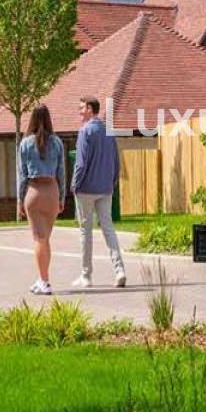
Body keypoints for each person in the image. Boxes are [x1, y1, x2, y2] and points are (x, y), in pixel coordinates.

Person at [70, 95, 126, 288]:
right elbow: (116, 160)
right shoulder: (108, 131)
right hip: (105, 187)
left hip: (86, 188)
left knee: (85, 231)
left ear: (90, 109)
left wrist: (74, 184)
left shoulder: (85, 131)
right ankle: (119, 270)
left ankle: (86, 276)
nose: (79, 111)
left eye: (81, 108)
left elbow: (81, 162)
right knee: (108, 228)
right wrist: (113, 181)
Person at [16, 103, 67, 295]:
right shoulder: (57, 142)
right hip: (52, 191)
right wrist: (61, 197)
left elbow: (22, 175)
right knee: (45, 239)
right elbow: (61, 172)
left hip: (34, 191)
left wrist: (20, 200)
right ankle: (42, 278)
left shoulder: (26, 143)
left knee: (39, 239)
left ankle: (44, 281)